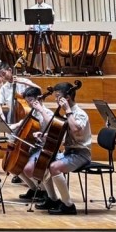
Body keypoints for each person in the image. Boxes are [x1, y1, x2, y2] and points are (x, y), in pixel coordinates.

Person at [28, 81, 91, 215]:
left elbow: (75, 129)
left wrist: (68, 110)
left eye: (58, 97)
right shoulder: (66, 114)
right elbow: (61, 135)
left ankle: (68, 205)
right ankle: (53, 199)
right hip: (69, 152)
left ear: (66, 98)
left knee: (54, 167)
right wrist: (44, 136)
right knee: (43, 163)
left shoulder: (79, 113)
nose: (56, 99)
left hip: (81, 154)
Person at [28, 0, 55, 74]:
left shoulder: (48, 7)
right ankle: (38, 68)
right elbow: (31, 20)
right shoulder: (32, 8)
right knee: (37, 49)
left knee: (48, 49)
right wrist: (31, 27)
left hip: (46, 31)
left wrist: (50, 27)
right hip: (36, 31)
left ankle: (48, 68)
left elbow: (52, 19)